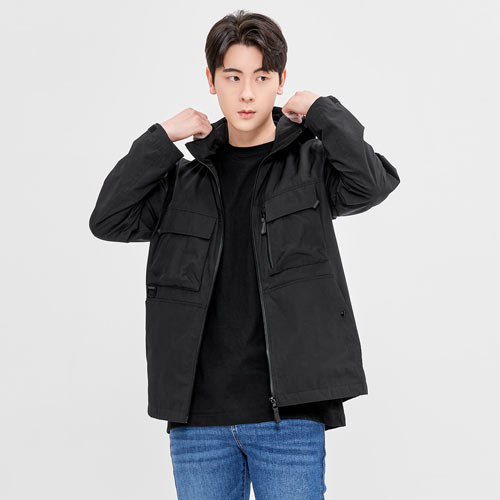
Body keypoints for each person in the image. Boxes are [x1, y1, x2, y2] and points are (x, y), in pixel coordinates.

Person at [89, 9, 400, 500]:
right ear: (211, 81)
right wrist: (161, 139)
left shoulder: (311, 166)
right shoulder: (182, 181)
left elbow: (373, 183)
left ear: (280, 81)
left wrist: (322, 112)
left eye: (262, 77)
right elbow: (108, 219)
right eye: (233, 77)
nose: (248, 93)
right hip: (199, 424)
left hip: (289, 419)